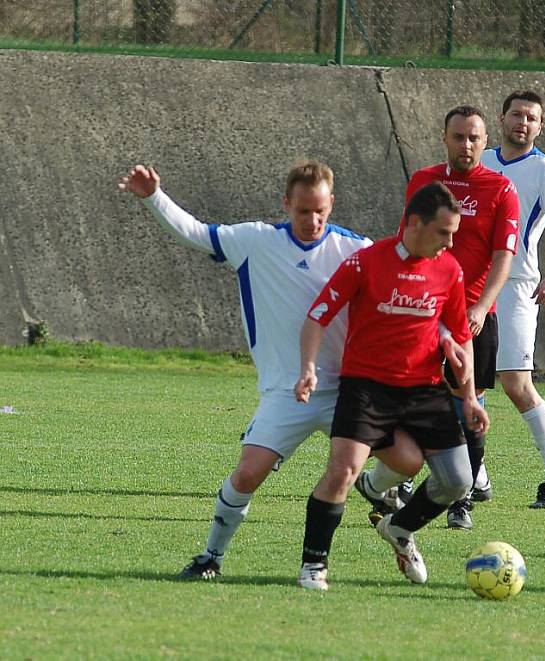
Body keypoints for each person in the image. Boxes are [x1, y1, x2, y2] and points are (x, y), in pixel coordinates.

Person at [117, 161, 461, 580]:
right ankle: (211, 556)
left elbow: (421, 295)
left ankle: (380, 501)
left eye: (320, 210)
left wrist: (445, 337)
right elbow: (193, 231)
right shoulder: (255, 242)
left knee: (408, 461)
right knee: (248, 473)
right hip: (287, 391)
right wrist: (154, 197)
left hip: (352, 391)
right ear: (286, 204)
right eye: (302, 211)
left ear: (331, 204)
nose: (312, 220)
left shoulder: (357, 248)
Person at [295, 181, 489, 591]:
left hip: (425, 389)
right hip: (366, 389)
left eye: (454, 234)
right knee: (343, 471)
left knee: (458, 481)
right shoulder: (366, 262)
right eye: (443, 233)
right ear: (414, 223)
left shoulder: (449, 270)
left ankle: (398, 528)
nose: (450, 244)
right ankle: (314, 565)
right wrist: (308, 368)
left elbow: (460, 333)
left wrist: (468, 397)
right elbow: (317, 317)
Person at [358, 105, 520, 530]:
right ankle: (392, 483)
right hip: (424, 313)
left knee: (471, 406)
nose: (466, 145)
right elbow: (404, 242)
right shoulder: (424, 181)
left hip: (474, 315)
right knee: (408, 401)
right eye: (458, 137)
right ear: (444, 139)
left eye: (474, 138)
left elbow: (505, 256)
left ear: (487, 141)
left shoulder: (501, 190)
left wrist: (481, 306)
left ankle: (460, 499)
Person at [481, 90, 545, 509]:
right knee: (464, 381)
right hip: (469, 288)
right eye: (517, 114)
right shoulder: (479, 161)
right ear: (501, 117)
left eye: (532, 118)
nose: (523, 122)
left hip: (517, 285)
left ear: (541, 126)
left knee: (516, 384)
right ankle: (473, 476)